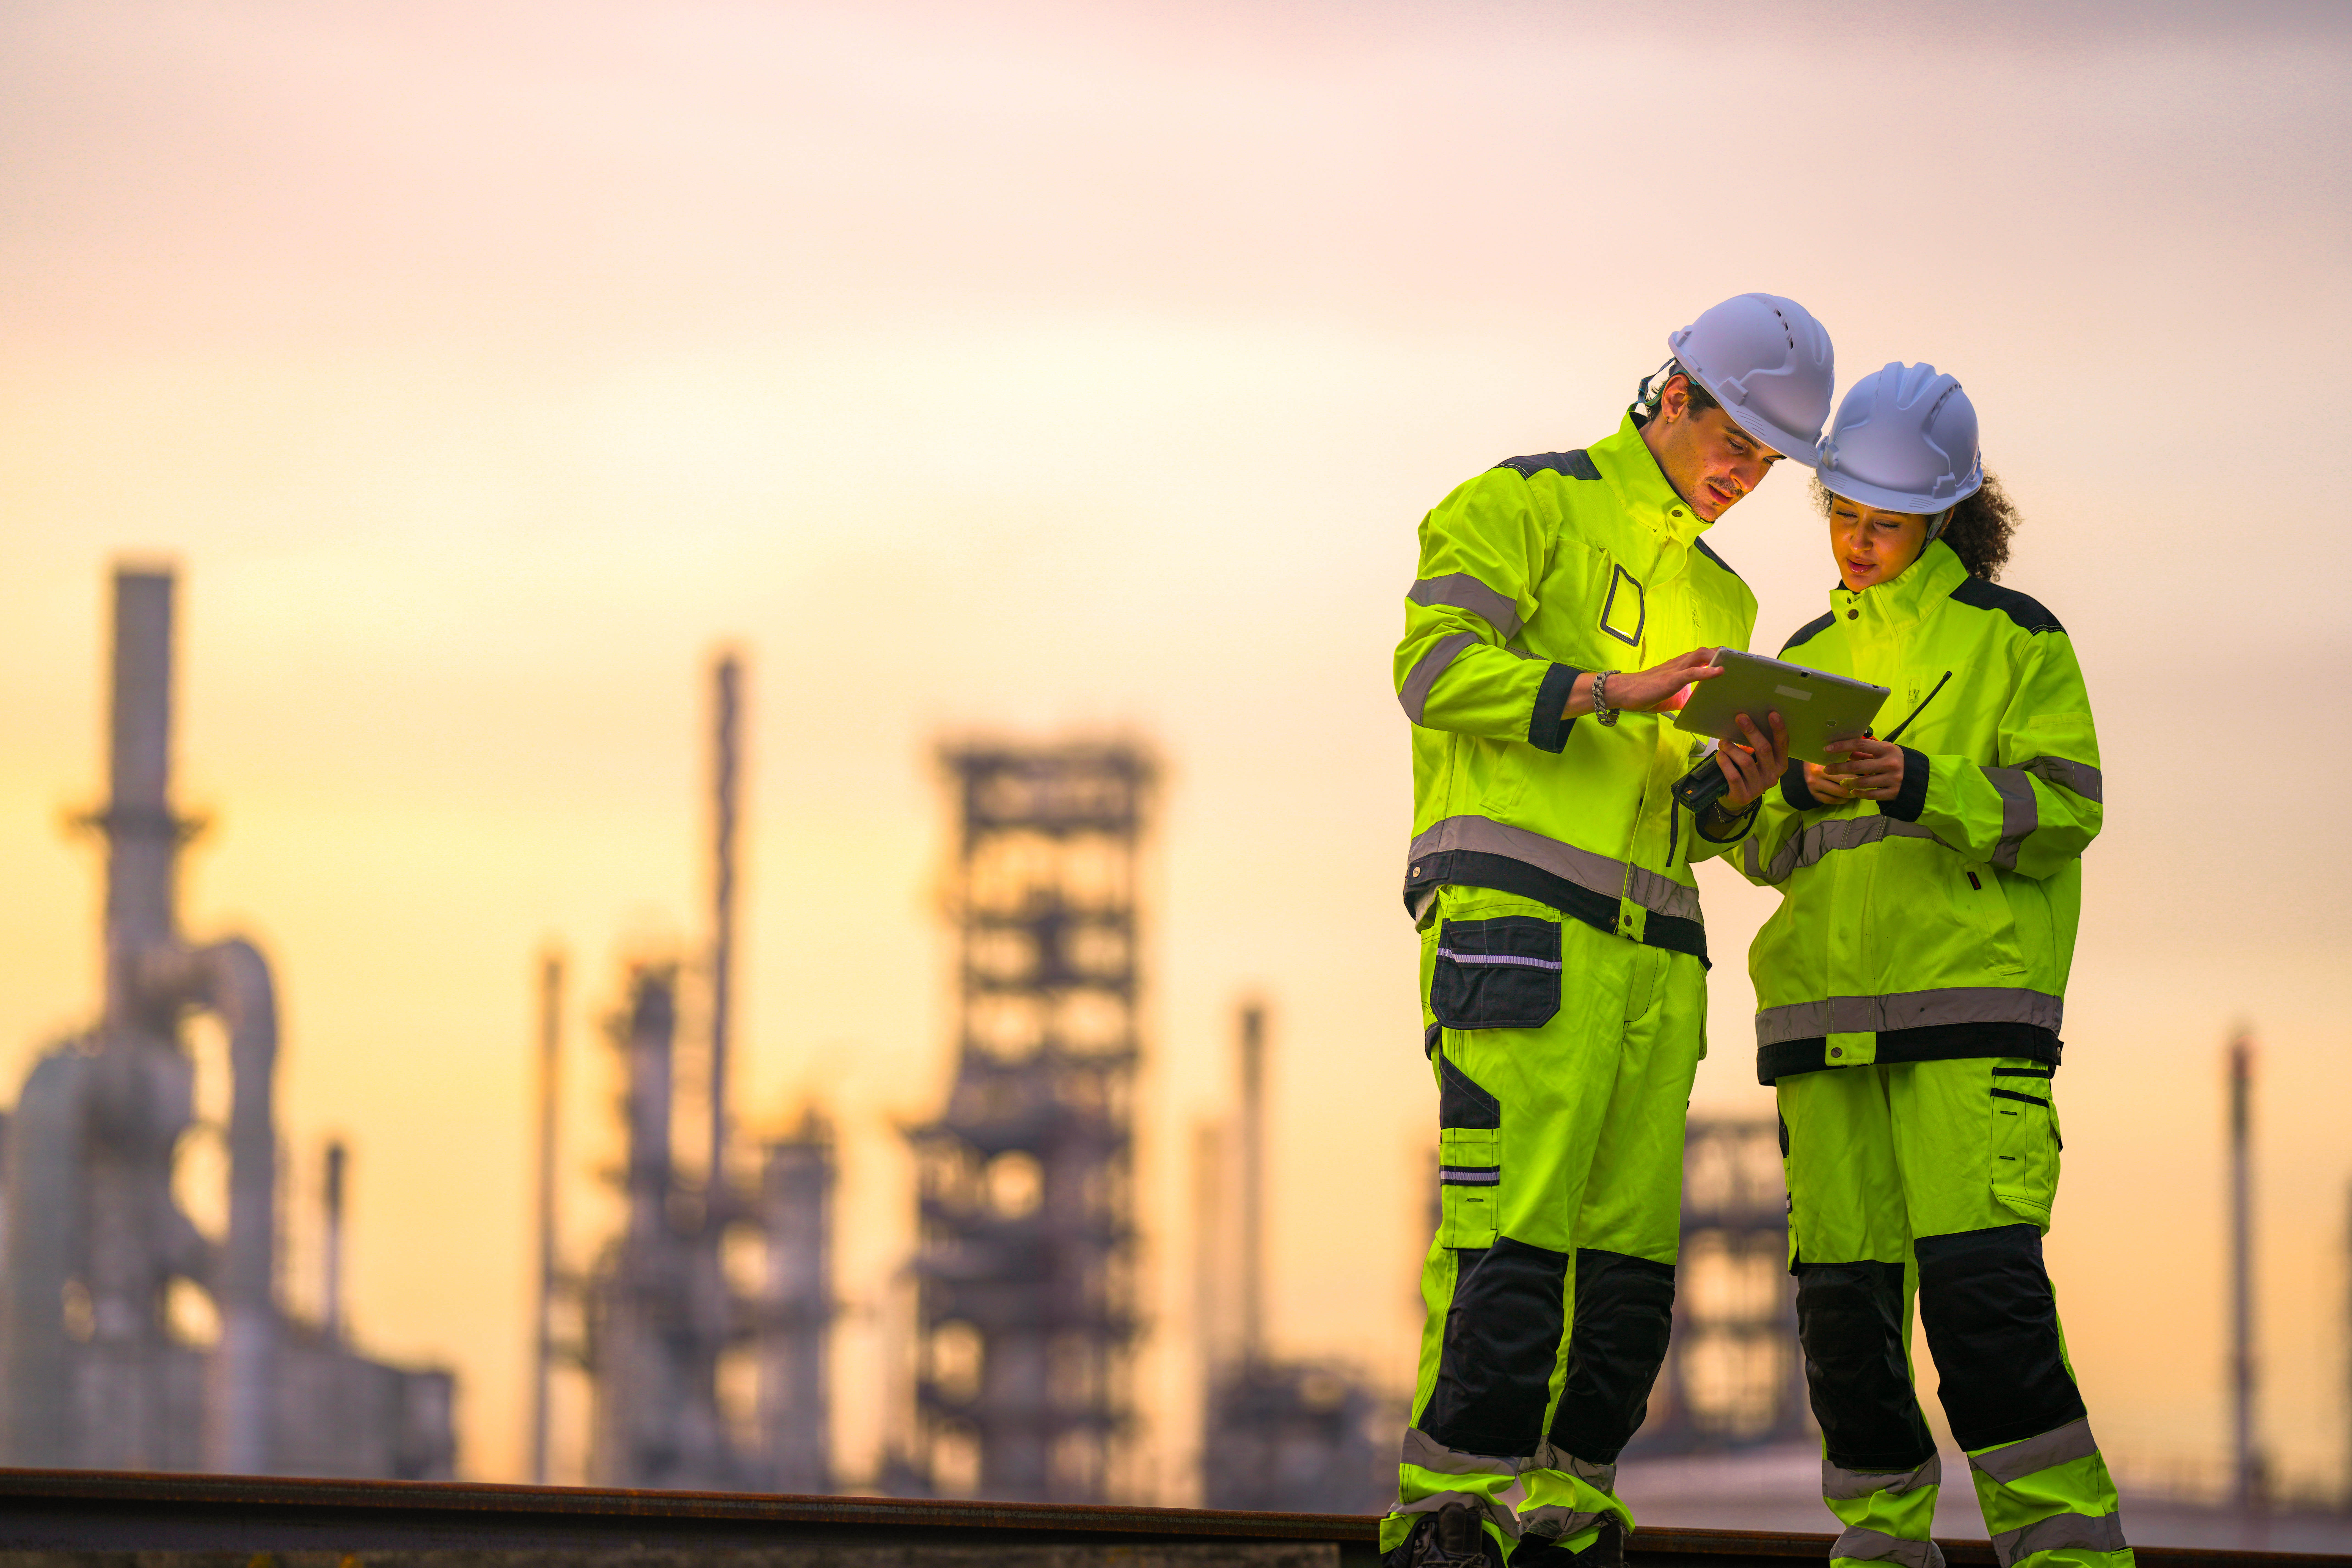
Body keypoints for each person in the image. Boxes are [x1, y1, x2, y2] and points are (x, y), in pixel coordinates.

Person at [1382, 293, 1829, 1568]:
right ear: (1674, 397)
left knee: (1626, 1280)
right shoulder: (1521, 505)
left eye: (1768, 463)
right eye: (1735, 445)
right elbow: (1431, 669)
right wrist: (1604, 689)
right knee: (1510, 1241)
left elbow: (1684, 819)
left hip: (1653, 962)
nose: (1745, 479)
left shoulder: (1724, 597)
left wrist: (1738, 788)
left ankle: (1570, 1518)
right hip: (1520, 938)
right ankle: (1450, 1515)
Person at [1732, 364, 2128, 1568]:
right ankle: (1880, 1546)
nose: (1858, 543)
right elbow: (1765, 851)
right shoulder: (1803, 657)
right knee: (1843, 1326)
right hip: (1822, 1034)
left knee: (1983, 1310)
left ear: (1945, 518)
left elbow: (2066, 808)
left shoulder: (2017, 641)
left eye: (1886, 524)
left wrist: (1918, 781)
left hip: (1967, 1033)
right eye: (1844, 515)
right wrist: (1788, 789)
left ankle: (2065, 1553)